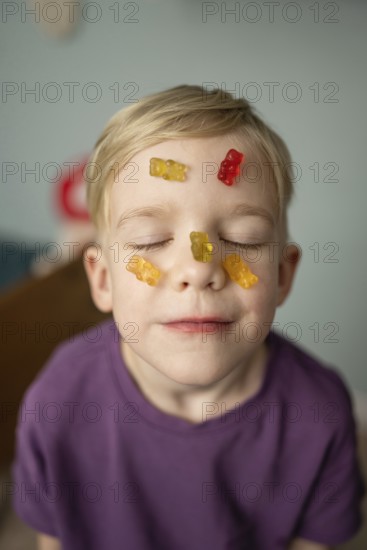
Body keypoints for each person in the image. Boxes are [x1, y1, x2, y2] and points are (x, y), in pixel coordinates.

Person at [11, 85, 365, 550]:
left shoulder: (320, 413)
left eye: (242, 237)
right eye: (151, 239)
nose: (199, 269)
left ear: (282, 274)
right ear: (102, 280)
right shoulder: (58, 399)